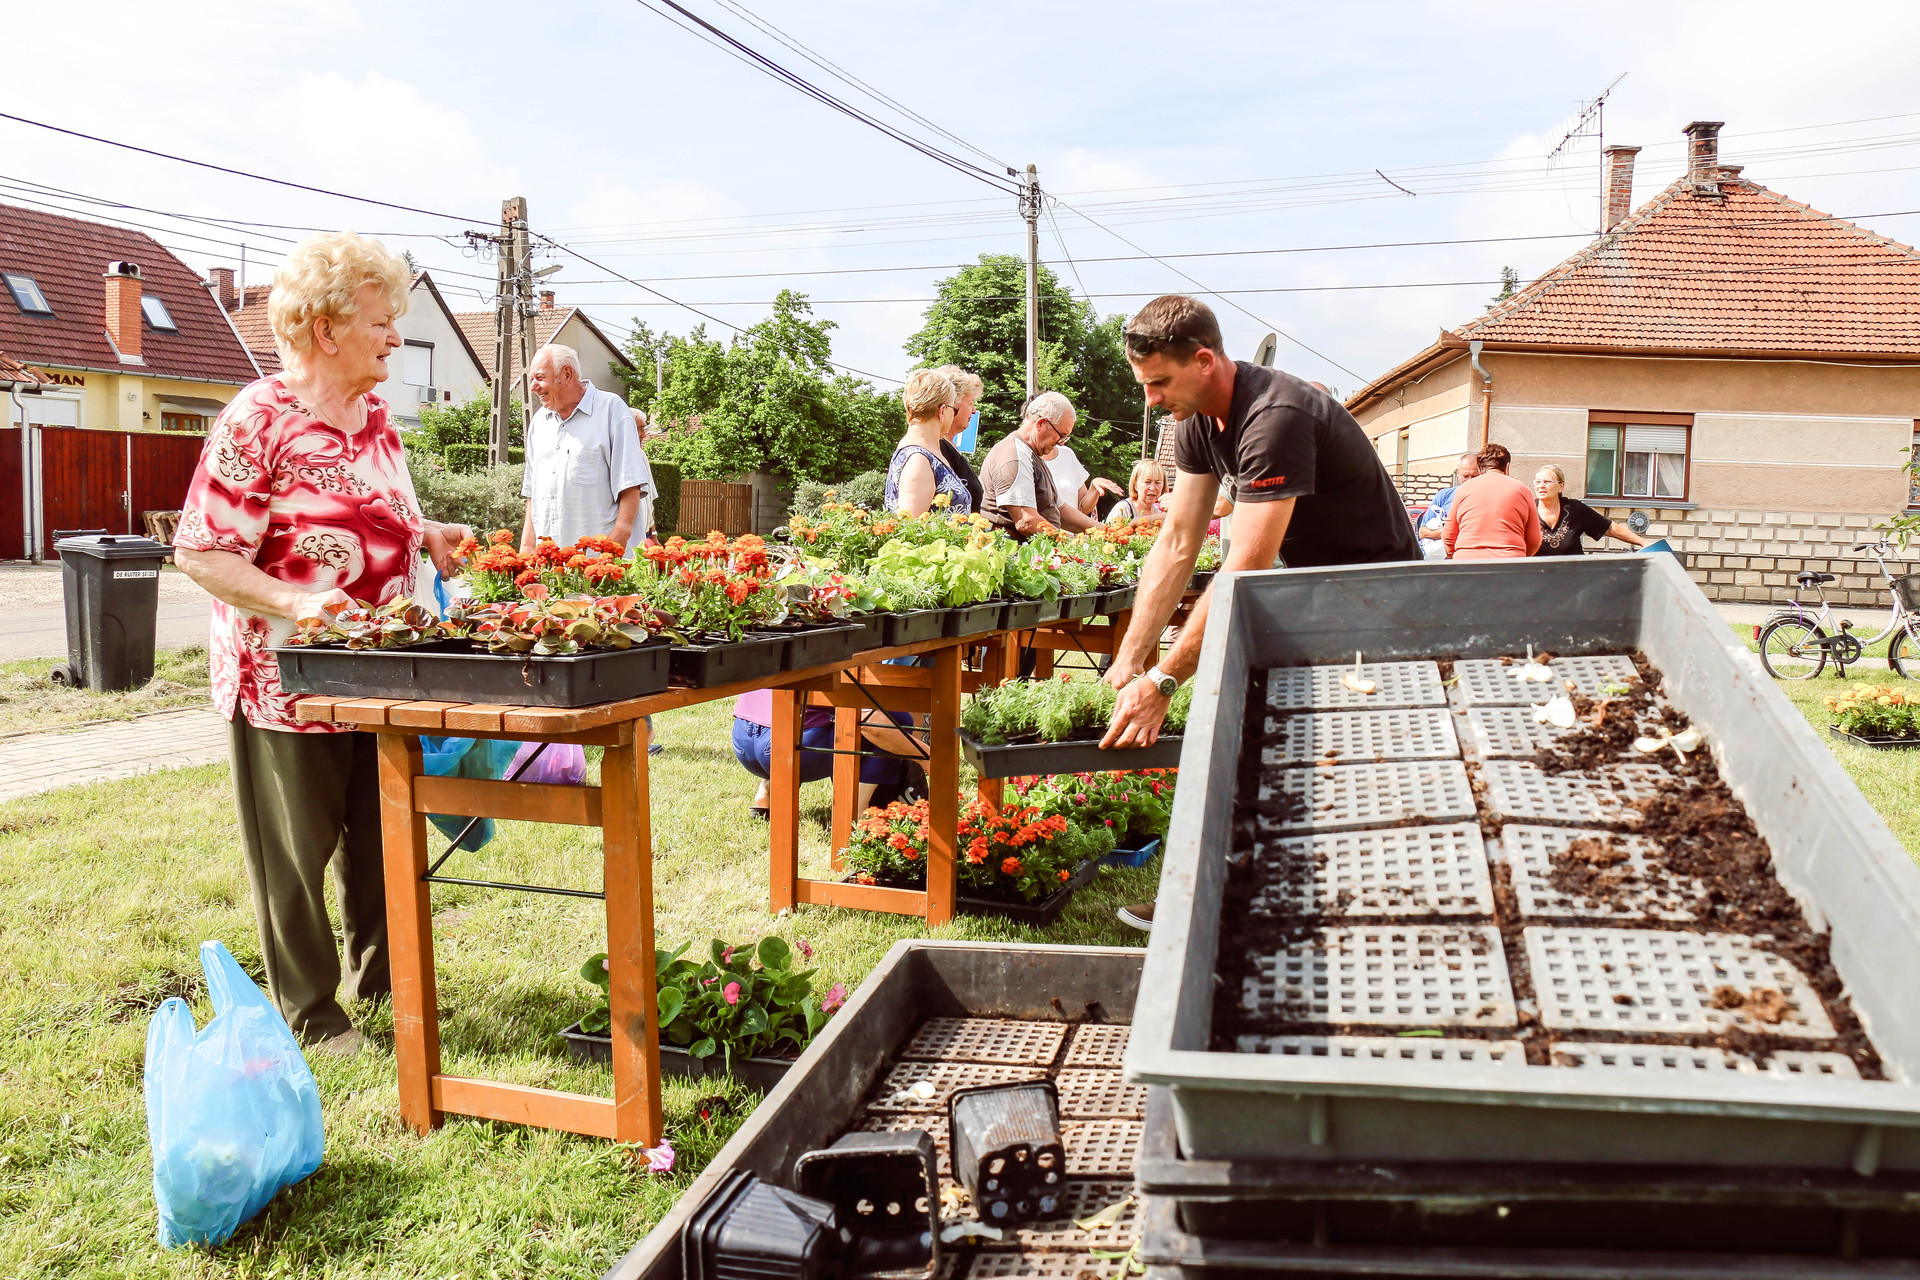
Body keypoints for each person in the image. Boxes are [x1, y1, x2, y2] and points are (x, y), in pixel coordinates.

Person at [173, 231, 471, 1057]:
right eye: (381, 322)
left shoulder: (376, 419)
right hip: (285, 681)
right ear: (326, 328)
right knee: (296, 859)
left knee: (382, 839)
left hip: (381, 673)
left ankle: (386, 985)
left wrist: (426, 532)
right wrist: (296, 601)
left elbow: (375, 511)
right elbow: (200, 551)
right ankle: (313, 1015)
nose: (394, 338)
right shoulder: (258, 419)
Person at [1095, 295, 1419, 932]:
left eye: (1160, 383)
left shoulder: (1277, 416)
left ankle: (1345, 903)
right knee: (1251, 736)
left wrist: (1163, 680)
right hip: (1316, 592)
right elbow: (1177, 541)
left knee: (1344, 759)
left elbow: (1245, 565)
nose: (1151, 400)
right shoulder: (1193, 420)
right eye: (1144, 385)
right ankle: (1221, 894)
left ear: (1205, 361)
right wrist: (1129, 658)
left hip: (1381, 602)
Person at [519, 344, 650, 554]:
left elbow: (630, 484)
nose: (534, 387)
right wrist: (526, 549)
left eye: (540, 378)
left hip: (598, 561)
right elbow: (532, 495)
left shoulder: (611, 409)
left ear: (567, 374)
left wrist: (612, 551)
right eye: (532, 379)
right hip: (550, 564)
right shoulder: (539, 421)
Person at [732, 690, 919, 819]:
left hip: (742, 742)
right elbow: (871, 721)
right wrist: (924, 754)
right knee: (897, 719)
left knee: (798, 711)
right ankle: (856, 811)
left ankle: (767, 793)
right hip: (784, 752)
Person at [979, 391, 1094, 538]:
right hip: (1015, 548)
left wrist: (1106, 532)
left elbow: (1062, 511)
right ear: (1041, 423)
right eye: (1061, 435)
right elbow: (1026, 522)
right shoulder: (1015, 455)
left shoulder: (1031, 454)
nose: (1061, 443)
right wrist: (1071, 543)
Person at [885, 368, 972, 516]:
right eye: (954, 410)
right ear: (942, 411)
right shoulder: (918, 460)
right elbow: (910, 525)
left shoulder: (924, 452)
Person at [1444, 444, 1541, 561]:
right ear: (1507, 467)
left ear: (1479, 468)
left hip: (1467, 560)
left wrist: (1453, 554)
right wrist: (1521, 556)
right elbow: (1534, 539)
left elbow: (1449, 534)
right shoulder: (1522, 489)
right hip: (1509, 560)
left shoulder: (1464, 489)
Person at [1532, 465, 1650, 555]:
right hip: (1536, 575)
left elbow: (1609, 528)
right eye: (1538, 482)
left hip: (1574, 575)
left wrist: (1643, 542)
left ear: (1561, 486)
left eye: (1547, 482)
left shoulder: (1575, 509)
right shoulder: (1528, 509)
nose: (1541, 486)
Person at [933, 364, 985, 512]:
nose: (974, 410)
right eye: (971, 403)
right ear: (952, 404)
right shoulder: (939, 448)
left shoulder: (948, 446)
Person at [1039, 426, 1123, 519]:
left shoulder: (1067, 454)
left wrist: (1094, 487)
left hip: (1070, 528)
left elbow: (1082, 509)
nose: (1062, 443)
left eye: (1066, 437)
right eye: (1061, 435)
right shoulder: (1027, 457)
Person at [1418, 453, 1481, 561]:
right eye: (1465, 476)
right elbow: (1422, 532)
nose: (1469, 480)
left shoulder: (1485, 499)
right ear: (1457, 473)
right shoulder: (1444, 496)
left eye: (1474, 476)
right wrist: (1447, 532)